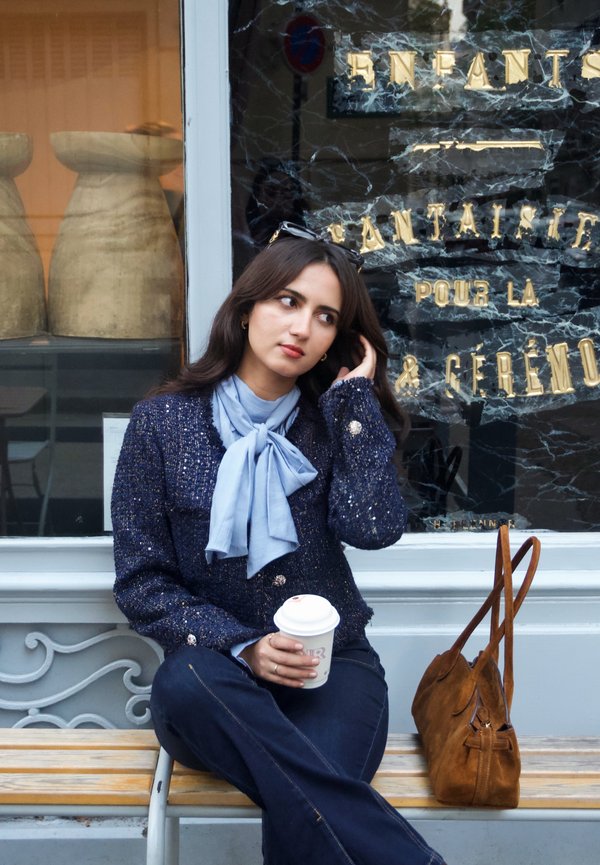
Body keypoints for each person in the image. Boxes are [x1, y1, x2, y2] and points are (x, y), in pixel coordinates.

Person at [112, 222, 447, 865]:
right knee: (185, 680)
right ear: (247, 309)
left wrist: (354, 403)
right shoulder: (161, 423)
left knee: (304, 798)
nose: (301, 328)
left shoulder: (334, 422)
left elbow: (372, 528)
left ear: (337, 342)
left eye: (325, 317)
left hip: (334, 669)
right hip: (217, 676)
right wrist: (244, 645)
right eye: (287, 302)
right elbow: (143, 582)